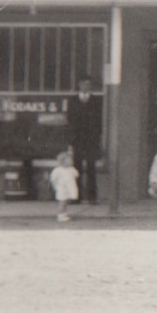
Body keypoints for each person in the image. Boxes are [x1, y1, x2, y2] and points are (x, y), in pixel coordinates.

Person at [68, 76, 104, 204]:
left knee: (91, 168)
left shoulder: (96, 100)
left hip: (91, 140)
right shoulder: (72, 101)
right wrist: (71, 140)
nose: (85, 86)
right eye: (83, 83)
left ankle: (92, 197)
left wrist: (97, 137)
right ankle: (76, 196)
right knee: (76, 168)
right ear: (79, 85)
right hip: (77, 139)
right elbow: (70, 121)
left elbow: (99, 121)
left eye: (88, 84)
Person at [49, 149, 80, 222]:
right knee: (62, 202)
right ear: (63, 161)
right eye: (69, 160)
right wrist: (55, 187)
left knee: (66, 201)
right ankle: (60, 215)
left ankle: (64, 213)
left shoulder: (71, 169)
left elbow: (76, 175)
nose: (71, 161)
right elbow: (53, 179)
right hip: (62, 188)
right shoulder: (58, 170)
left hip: (69, 188)